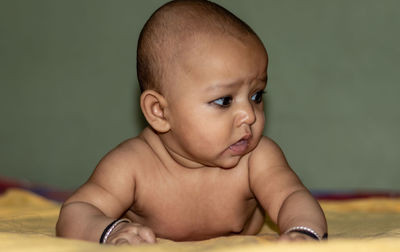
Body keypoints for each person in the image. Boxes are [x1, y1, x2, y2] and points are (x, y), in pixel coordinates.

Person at [56, 0, 327, 245]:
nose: (250, 115)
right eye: (224, 101)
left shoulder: (256, 159)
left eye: (256, 95)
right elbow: (76, 211)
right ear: (160, 112)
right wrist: (110, 230)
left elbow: (292, 198)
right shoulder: (132, 166)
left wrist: (303, 231)